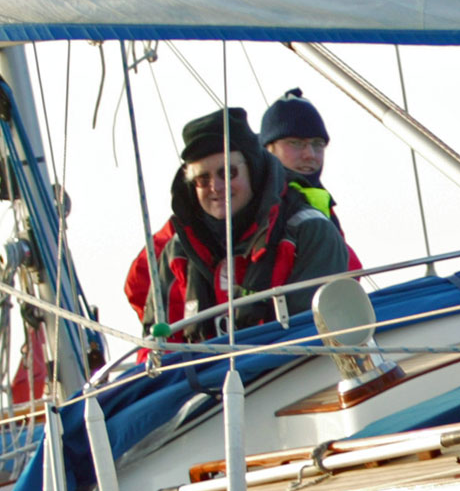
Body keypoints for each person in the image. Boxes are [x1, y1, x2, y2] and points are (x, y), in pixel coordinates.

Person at [124, 107, 351, 340]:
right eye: (203, 179)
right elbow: (157, 350)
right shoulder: (177, 250)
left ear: (253, 170)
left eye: (228, 173)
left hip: (293, 371)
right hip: (205, 374)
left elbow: (315, 333)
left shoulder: (310, 231)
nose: (216, 187)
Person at [260, 89, 365, 271]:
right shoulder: (258, 200)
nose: (310, 154)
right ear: (269, 148)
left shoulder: (319, 199)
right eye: (295, 143)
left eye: (317, 144)